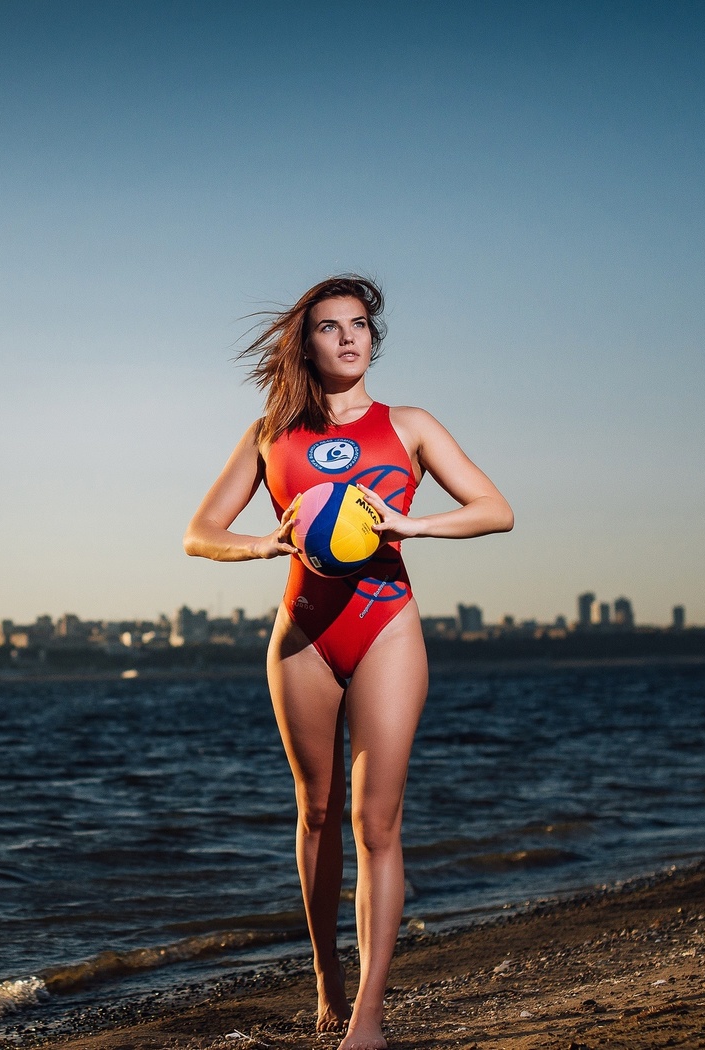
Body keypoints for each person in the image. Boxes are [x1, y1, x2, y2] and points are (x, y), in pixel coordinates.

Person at [184, 275, 513, 1049]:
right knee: (318, 813)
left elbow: (496, 509)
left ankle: (367, 1013)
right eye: (329, 327)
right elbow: (199, 530)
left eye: (359, 324)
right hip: (302, 632)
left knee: (376, 822)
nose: (348, 337)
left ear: (373, 337)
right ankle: (326, 974)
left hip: (385, 626)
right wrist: (268, 542)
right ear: (308, 343)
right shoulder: (270, 432)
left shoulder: (409, 424)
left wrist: (411, 523)